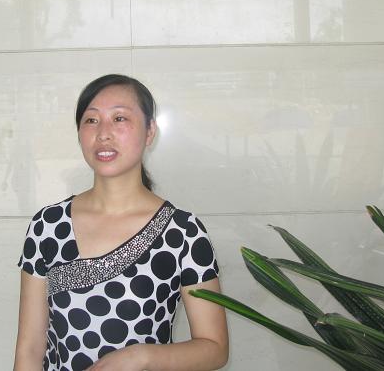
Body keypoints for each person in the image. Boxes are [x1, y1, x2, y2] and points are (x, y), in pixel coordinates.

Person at [13, 74, 228, 371]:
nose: (103, 133)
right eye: (91, 120)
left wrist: (142, 357)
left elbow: (215, 348)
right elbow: (29, 349)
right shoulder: (47, 226)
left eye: (119, 118)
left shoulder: (184, 233)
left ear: (150, 131)